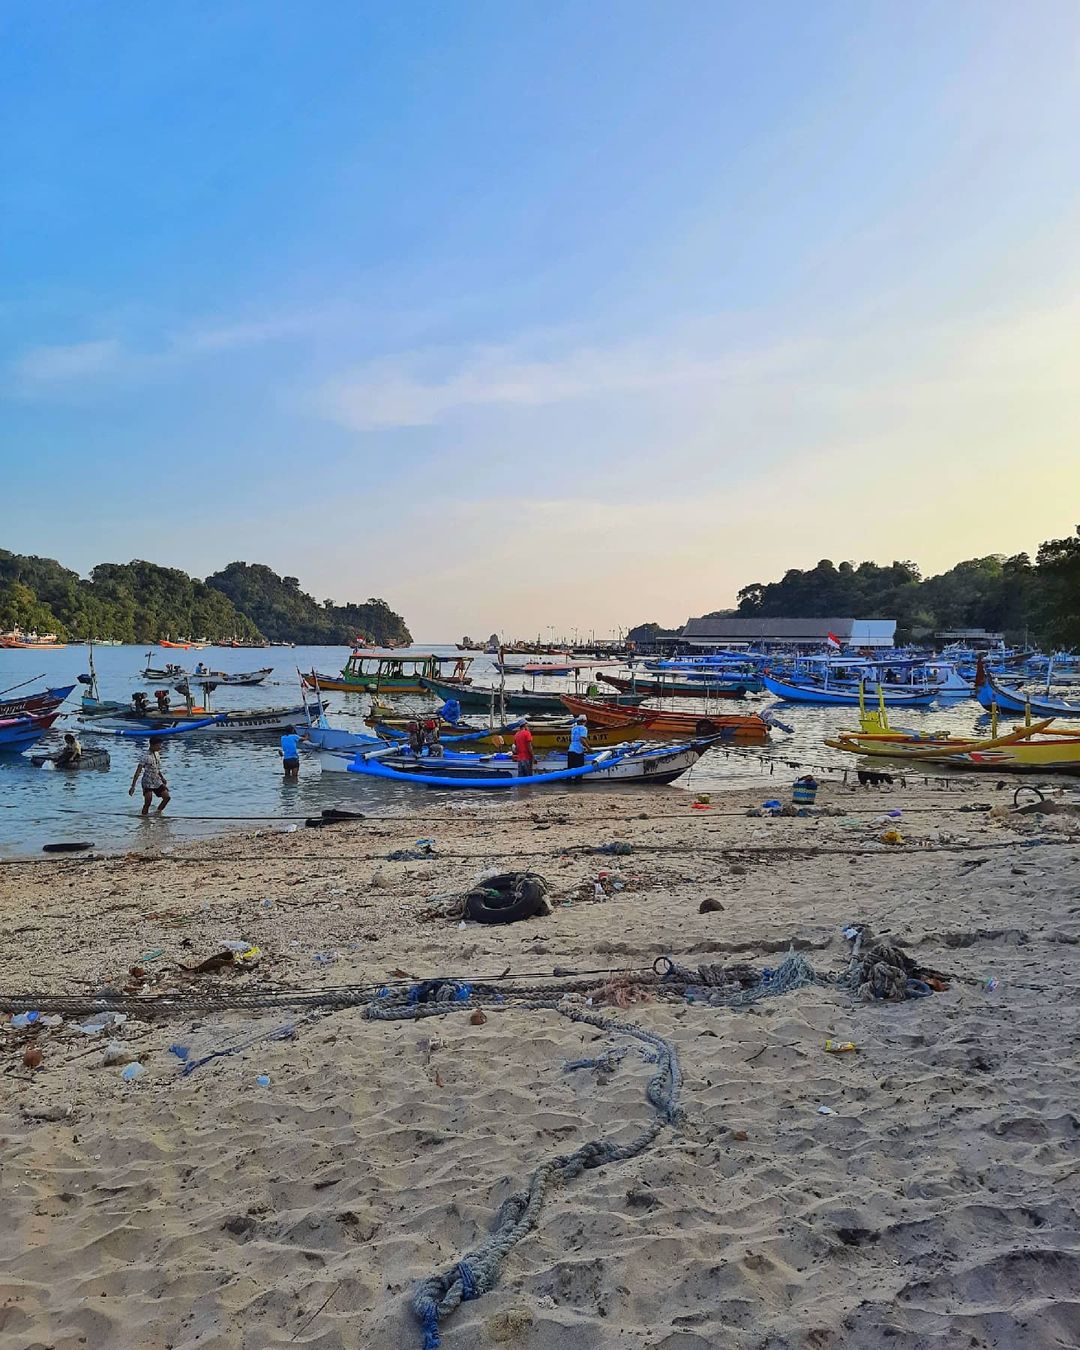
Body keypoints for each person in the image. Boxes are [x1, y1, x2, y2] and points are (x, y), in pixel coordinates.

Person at [129, 737, 170, 814]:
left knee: (167, 797)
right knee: (148, 802)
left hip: (157, 780)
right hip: (147, 781)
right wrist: (133, 786)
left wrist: (162, 778)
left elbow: (156, 768)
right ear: (152, 745)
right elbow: (138, 772)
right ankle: (144, 818)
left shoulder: (157, 754)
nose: (160, 747)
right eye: (158, 746)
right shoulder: (145, 757)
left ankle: (158, 812)